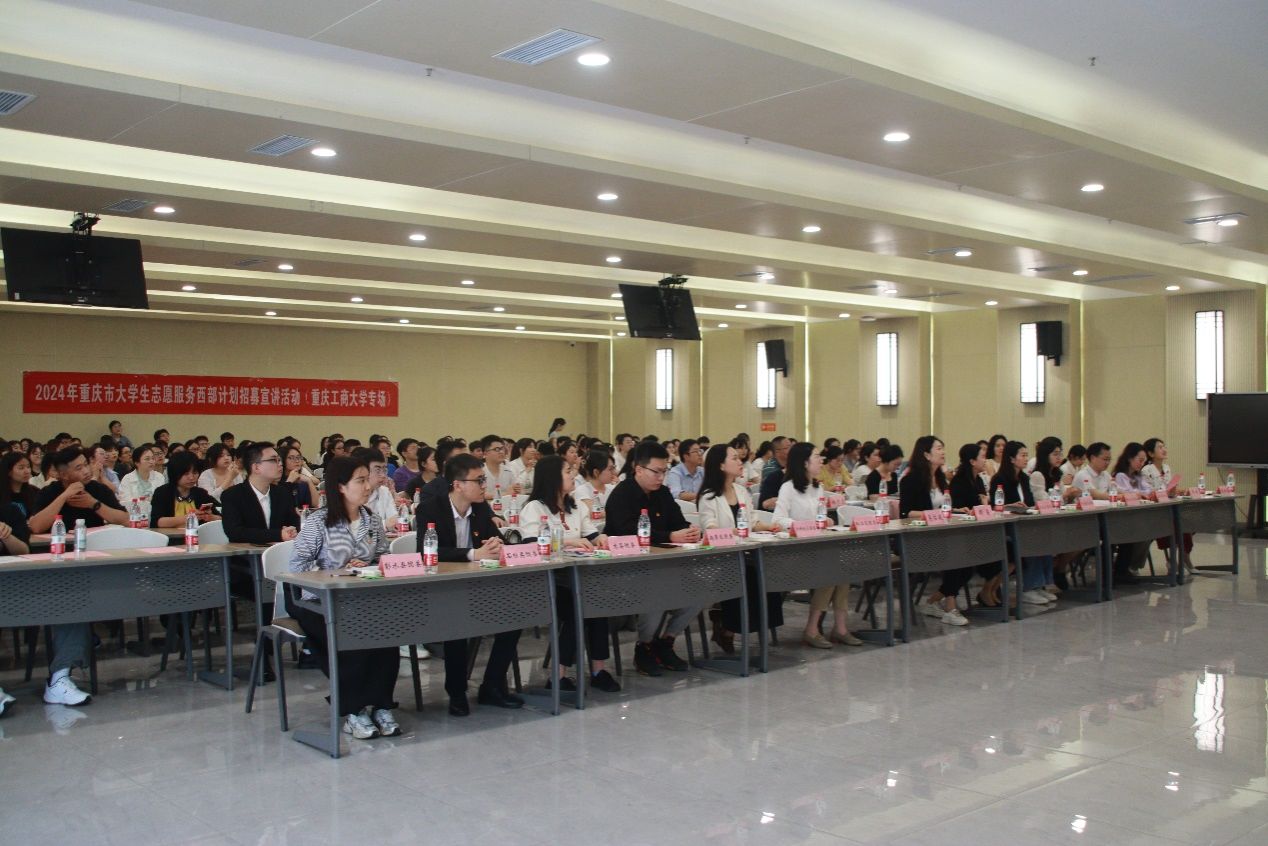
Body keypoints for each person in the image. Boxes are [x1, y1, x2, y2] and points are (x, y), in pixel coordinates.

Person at [289, 455, 399, 740]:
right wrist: (336, 572)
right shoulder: (319, 522)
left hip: (360, 598)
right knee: (351, 634)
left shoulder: (371, 520)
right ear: (340, 487)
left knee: (388, 632)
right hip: (315, 600)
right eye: (360, 481)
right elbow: (297, 567)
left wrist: (369, 566)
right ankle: (354, 710)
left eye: (367, 480)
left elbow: (383, 558)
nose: (367, 486)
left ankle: (382, 705)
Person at [415, 454, 519, 714]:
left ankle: (492, 686)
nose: (485, 486)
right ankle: (457, 692)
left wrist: (495, 545)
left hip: (478, 587)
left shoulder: (481, 508)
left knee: (515, 618)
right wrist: (474, 554)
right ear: (458, 484)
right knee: (457, 624)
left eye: (484, 479)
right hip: (441, 589)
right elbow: (427, 552)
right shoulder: (430, 509)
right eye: (479, 480)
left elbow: (495, 541)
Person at [519, 455, 619, 693]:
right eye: (567, 471)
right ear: (551, 477)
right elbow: (532, 544)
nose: (573, 475)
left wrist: (601, 539)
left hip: (577, 578)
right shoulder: (534, 508)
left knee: (597, 602)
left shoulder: (575, 506)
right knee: (577, 607)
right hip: (546, 582)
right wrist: (569, 542)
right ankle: (558, 675)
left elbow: (591, 535)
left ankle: (598, 670)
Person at [604, 441, 701, 676]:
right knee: (657, 590)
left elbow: (677, 522)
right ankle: (644, 646)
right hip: (625, 570)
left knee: (701, 590)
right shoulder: (622, 495)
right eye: (656, 472)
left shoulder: (663, 493)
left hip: (664, 566)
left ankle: (665, 641)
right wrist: (669, 536)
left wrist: (689, 531)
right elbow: (626, 532)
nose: (660, 477)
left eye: (664, 471)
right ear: (638, 469)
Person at [769, 442, 861, 648]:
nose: (821, 461)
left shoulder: (817, 488)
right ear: (804, 462)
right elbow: (778, 520)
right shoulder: (788, 488)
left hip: (816, 548)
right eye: (817, 457)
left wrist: (824, 520)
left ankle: (840, 628)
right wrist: (803, 525)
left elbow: (819, 517)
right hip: (794, 552)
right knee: (830, 570)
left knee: (842, 569)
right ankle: (811, 629)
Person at [697, 444, 781, 652]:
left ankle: (742, 625)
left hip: (745, 553)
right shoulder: (708, 496)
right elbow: (710, 529)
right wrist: (733, 533)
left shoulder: (742, 491)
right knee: (748, 576)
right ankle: (729, 627)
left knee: (768, 574)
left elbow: (752, 522)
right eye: (734, 458)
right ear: (721, 465)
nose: (740, 462)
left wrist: (769, 527)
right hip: (720, 558)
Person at [901, 436, 970, 626]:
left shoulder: (940, 479)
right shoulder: (910, 480)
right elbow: (906, 513)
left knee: (970, 555)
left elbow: (943, 508)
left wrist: (957, 510)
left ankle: (933, 601)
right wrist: (930, 515)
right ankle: (950, 607)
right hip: (919, 539)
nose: (943, 452)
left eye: (943, 448)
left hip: (941, 534)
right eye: (938, 448)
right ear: (926, 454)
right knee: (957, 552)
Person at [991, 441, 1056, 605]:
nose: (1026, 459)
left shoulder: (1025, 478)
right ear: (1012, 458)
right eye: (1023, 455)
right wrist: (1010, 506)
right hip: (1007, 527)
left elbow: (1030, 502)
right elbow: (994, 507)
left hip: (1025, 523)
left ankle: (1041, 584)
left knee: (1045, 537)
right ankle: (1028, 587)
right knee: (1031, 541)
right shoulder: (999, 479)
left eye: (1027, 455)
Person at [29, 446, 128, 534]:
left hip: (93, 544)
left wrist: (93, 504)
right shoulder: (48, 492)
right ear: (64, 475)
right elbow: (36, 527)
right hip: (57, 545)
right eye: (79, 468)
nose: (86, 471)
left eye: (86, 464)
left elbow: (126, 519)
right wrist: (63, 497)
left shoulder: (98, 489)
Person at [221, 441, 302, 545]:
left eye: (279, 460)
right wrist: (278, 535)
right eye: (274, 460)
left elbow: (295, 523)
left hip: (281, 551)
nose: (280, 464)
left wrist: (291, 531)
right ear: (256, 467)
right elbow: (235, 532)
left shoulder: (282, 493)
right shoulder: (232, 495)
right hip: (247, 553)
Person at [1142, 437, 1192, 572]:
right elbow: (1149, 494)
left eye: (1164, 446)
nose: (1164, 449)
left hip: (1169, 508)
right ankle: (1179, 560)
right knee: (1177, 525)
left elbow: (1169, 490)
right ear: (1151, 453)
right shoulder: (1146, 470)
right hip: (1155, 511)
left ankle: (1178, 558)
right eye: (1160, 447)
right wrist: (1166, 492)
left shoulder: (1166, 468)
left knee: (1188, 523)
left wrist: (1177, 490)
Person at [149, 451, 221, 528]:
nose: (191, 477)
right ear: (174, 473)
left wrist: (210, 517)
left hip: (197, 534)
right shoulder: (162, 492)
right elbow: (157, 522)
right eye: (186, 474)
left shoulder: (201, 493)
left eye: (195, 472)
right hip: (169, 535)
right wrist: (188, 517)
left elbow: (220, 517)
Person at [350, 447, 397, 532]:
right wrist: (384, 524)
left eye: (384, 470)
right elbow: (355, 527)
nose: (383, 475)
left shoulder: (384, 491)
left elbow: (393, 520)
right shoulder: (351, 495)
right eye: (378, 470)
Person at [116, 443, 166, 522]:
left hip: (155, 517)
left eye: (153, 458)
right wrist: (144, 501)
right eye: (147, 459)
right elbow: (124, 502)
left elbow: (163, 500)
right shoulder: (128, 479)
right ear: (137, 462)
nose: (151, 461)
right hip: (135, 519)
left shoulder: (159, 477)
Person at [573, 448, 617, 516]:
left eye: (614, 467)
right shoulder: (582, 490)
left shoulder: (613, 488)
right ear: (596, 472)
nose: (614, 472)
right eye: (610, 469)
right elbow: (595, 513)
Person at [0, 451, 41, 520]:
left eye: (28, 467)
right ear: (8, 471)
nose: (27, 471)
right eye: (21, 468)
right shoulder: (2, 493)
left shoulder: (35, 492)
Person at [279, 443, 320, 510]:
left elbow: (317, 504)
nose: (297, 461)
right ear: (282, 460)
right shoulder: (276, 481)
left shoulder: (302, 481)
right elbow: (281, 506)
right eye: (291, 458)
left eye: (299, 457)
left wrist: (309, 481)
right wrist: (289, 482)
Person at [665, 438, 705, 502]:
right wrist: (702, 495)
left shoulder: (703, 471)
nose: (700, 454)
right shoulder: (675, 472)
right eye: (695, 451)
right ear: (686, 456)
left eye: (700, 451)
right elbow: (677, 494)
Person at [481, 435, 520, 499]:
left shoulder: (508, 471)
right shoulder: (479, 472)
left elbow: (514, 491)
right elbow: (480, 494)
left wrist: (517, 490)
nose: (501, 452)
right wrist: (504, 494)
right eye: (497, 449)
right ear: (485, 453)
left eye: (502, 448)